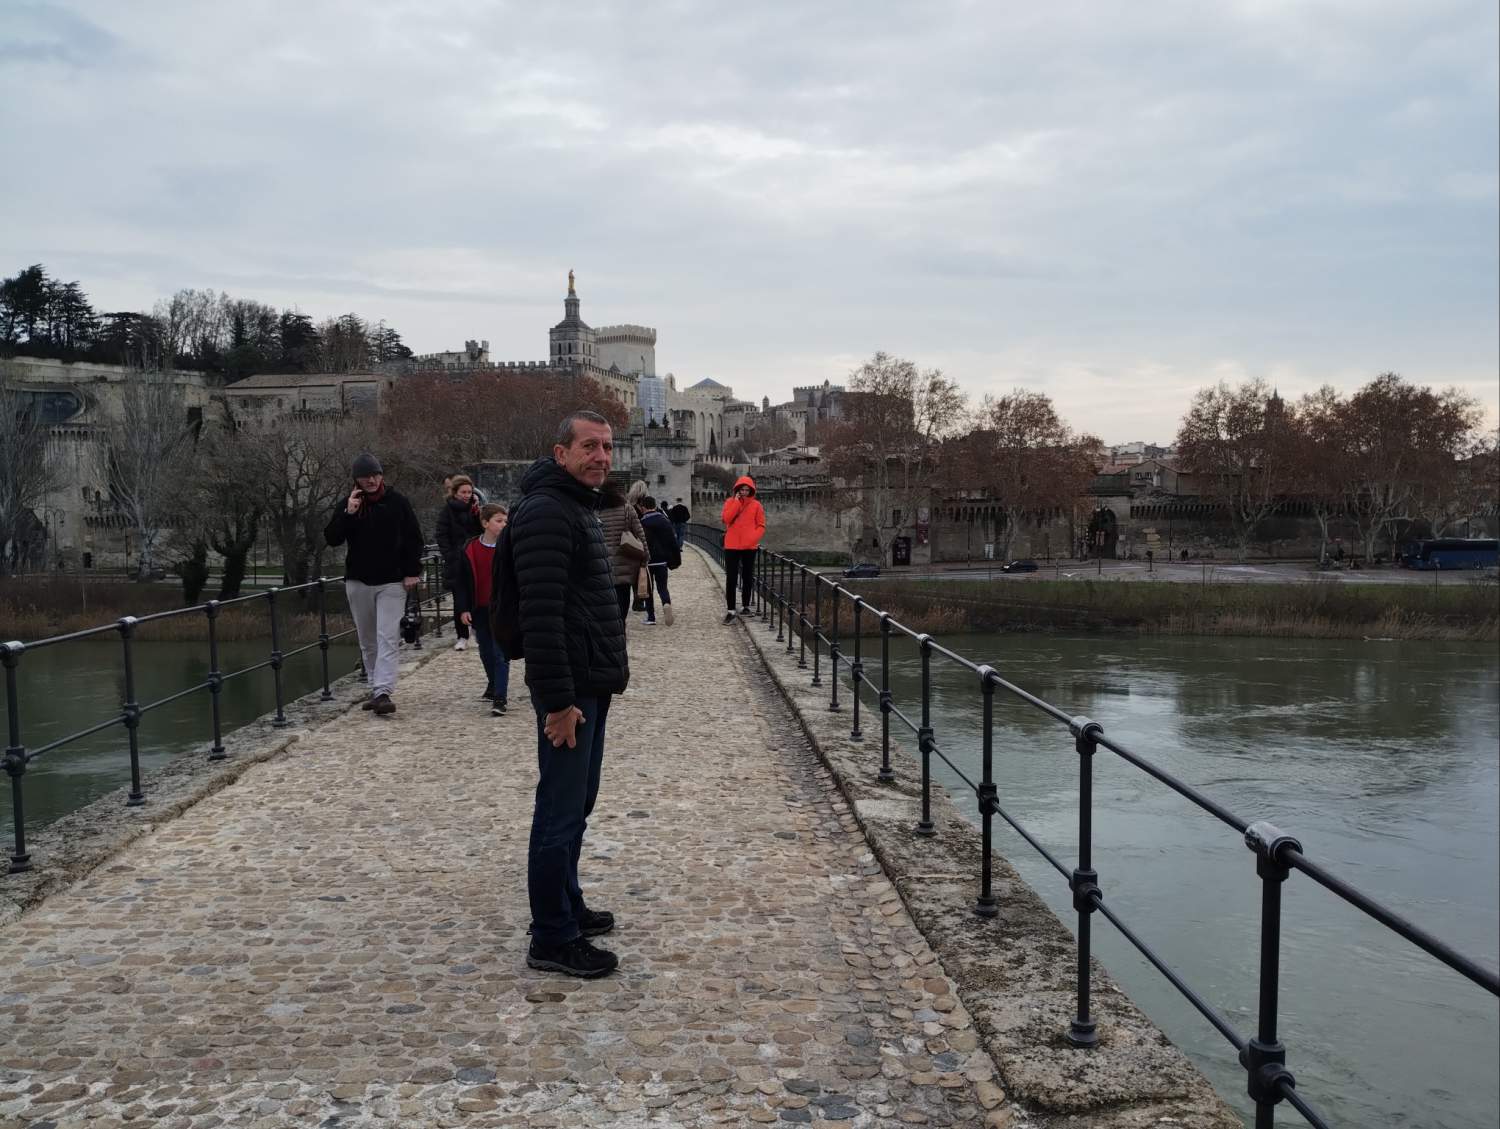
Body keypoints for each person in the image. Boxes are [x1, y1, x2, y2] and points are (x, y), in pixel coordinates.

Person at [511, 410, 629, 978]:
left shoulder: (574, 505)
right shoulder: (548, 512)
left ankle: (568, 903)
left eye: (606, 446)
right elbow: (541, 617)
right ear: (561, 453)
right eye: (589, 446)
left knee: (577, 803)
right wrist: (559, 704)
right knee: (559, 811)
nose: (601, 456)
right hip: (571, 689)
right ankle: (552, 936)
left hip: (589, 680)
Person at [324, 452, 424, 716]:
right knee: (367, 638)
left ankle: (383, 691)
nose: (371, 480)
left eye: (375, 475)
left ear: (381, 476)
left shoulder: (397, 502)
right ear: (356, 479)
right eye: (365, 476)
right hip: (358, 580)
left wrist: (412, 571)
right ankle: (374, 686)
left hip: (391, 581)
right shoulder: (349, 504)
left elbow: (414, 538)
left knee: (387, 636)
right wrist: (348, 513)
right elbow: (332, 538)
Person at [453, 503, 511, 716]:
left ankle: (500, 697)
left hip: (502, 608)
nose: (503, 525)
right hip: (479, 608)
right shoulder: (469, 549)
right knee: (485, 651)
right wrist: (463, 609)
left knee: (500, 653)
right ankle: (493, 684)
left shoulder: (509, 548)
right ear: (485, 523)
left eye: (505, 521)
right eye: (499, 521)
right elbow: (461, 582)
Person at [435, 474, 483, 651]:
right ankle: (462, 635)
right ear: (455, 492)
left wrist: (477, 511)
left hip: (474, 558)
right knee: (459, 600)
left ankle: (478, 630)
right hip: (457, 560)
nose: (467, 495)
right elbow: (441, 534)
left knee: (478, 596)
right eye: (463, 492)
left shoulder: (475, 509)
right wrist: (450, 555)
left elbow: (483, 528)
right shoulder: (447, 511)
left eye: (469, 492)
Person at [596, 481, 647, 625]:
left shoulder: (595, 511)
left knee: (605, 602)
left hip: (603, 564)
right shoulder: (627, 509)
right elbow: (640, 534)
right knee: (623, 600)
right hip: (625, 562)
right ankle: (620, 627)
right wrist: (645, 558)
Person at [720, 475, 765, 624]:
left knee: (747, 576)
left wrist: (752, 539)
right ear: (737, 490)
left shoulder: (756, 505)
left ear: (751, 491)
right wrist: (736, 502)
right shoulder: (730, 502)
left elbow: (761, 525)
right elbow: (726, 519)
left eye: (747, 490)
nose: (744, 492)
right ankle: (731, 610)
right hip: (732, 545)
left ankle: (745, 606)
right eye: (742, 490)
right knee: (731, 578)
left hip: (749, 546)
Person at [636, 494, 682, 625]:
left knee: (648, 590)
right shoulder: (664, 521)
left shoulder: (642, 523)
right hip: (662, 560)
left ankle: (651, 617)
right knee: (663, 587)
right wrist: (675, 559)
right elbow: (673, 541)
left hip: (648, 561)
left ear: (643, 508)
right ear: (655, 506)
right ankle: (666, 603)